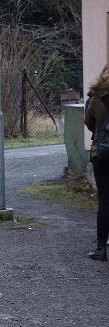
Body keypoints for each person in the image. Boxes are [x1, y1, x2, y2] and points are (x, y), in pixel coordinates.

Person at [84, 64, 109, 261]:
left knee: (105, 201)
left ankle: (101, 249)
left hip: (102, 153)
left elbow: (89, 122)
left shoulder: (96, 97)